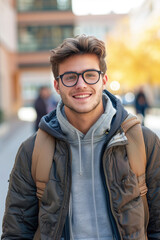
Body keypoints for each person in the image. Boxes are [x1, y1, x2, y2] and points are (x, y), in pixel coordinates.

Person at [1, 35, 160, 240]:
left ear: (103, 80)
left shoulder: (144, 143)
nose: (81, 84)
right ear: (57, 86)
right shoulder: (32, 151)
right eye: (70, 77)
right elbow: (16, 232)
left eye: (90, 75)